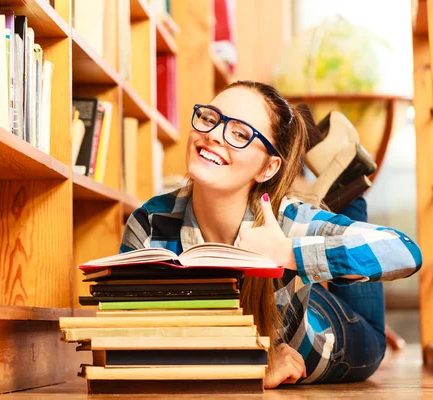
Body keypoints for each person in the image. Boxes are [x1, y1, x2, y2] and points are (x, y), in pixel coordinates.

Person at [119, 81, 422, 388]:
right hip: (289, 300)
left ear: (267, 168)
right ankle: (330, 215)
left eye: (239, 133)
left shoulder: (285, 222)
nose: (212, 134)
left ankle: (348, 192)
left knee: (372, 336)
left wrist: (288, 253)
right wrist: (248, 366)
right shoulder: (148, 224)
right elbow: (126, 339)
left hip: (321, 333)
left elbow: (406, 252)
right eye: (210, 118)